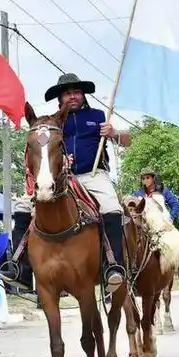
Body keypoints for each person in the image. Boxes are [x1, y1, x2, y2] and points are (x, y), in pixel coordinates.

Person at [43, 74, 131, 293]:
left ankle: (113, 266)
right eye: (67, 93)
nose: (72, 97)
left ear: (82, 95)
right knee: (26, 207)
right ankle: (22, 268)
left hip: (94, 176)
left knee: (112, 208)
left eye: (76, 92)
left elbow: (128, 141)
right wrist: (59, 161)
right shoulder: (52, 121)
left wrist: (114, 133)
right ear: (60, 98)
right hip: (61, 178)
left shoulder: (98, 115)